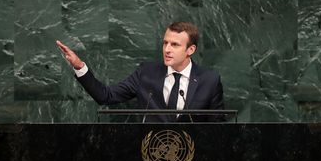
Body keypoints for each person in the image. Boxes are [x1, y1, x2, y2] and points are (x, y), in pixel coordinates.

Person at [56, 21, 224, 122]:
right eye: (165, 43)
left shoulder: (210, 80)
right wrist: (79, 66)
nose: (167, 49)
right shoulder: (146, 73)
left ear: (190, 50)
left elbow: (219, 129)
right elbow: (105, 96)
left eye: (175, 45)